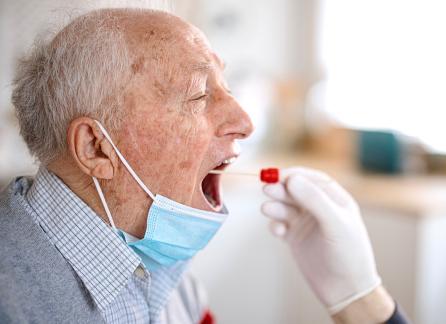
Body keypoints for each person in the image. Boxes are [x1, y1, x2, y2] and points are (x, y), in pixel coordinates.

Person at [0, 7, 408, 324]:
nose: (245, 123)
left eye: (226, 88)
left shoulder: (159, 267)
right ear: (95, 148)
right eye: (198, 95)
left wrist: (361, 301)